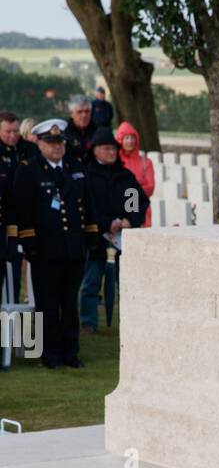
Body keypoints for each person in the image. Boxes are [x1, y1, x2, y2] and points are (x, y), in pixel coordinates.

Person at [13, 118, 101, 368]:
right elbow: (24, 209)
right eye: (51, 143)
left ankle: (70, 351)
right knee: (47, 304)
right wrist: (28, 242)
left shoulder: (76, 166)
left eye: (60, 142)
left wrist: (92, 235)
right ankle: (49, 353)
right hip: (44, 248)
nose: (57, 147)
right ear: (39, 143)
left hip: (73, 247)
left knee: (69, 303)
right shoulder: (29, 169)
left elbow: (89, 203)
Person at [80, 127, 149, 332]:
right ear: (95, 150)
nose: (112, 152)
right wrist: (106, 223)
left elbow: (136, 202)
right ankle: (88, 321)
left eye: (113, 149)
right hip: (97, 237)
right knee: (91, 282)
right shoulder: (87, 175)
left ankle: (128, 322)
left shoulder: (124, 176)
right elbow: (86, 206)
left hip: (121, 239)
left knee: (125, 283)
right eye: (107, 148)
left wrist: (129, 220)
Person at [0, 111, 38, 306]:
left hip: (24, 218)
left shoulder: (29, 150)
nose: (12, 136)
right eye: (7, 131)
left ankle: (15, 312)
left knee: (18, 269)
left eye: (15, 131)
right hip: (3, 219)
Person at [116, 121, 155, 228]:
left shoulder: (146, 162)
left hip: (142, 209)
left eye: (132, 137)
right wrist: (138, 186)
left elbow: (150, 188)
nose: (130, 141)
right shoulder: (116, 162)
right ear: (120, 140)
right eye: (126, 138)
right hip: (121, 210)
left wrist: (129, 190)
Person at [64, 95, 96, 164]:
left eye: (87, 111)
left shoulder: (98, 131)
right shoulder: (64, 132)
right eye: (79, 112)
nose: (84, 115)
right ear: (71, 114)